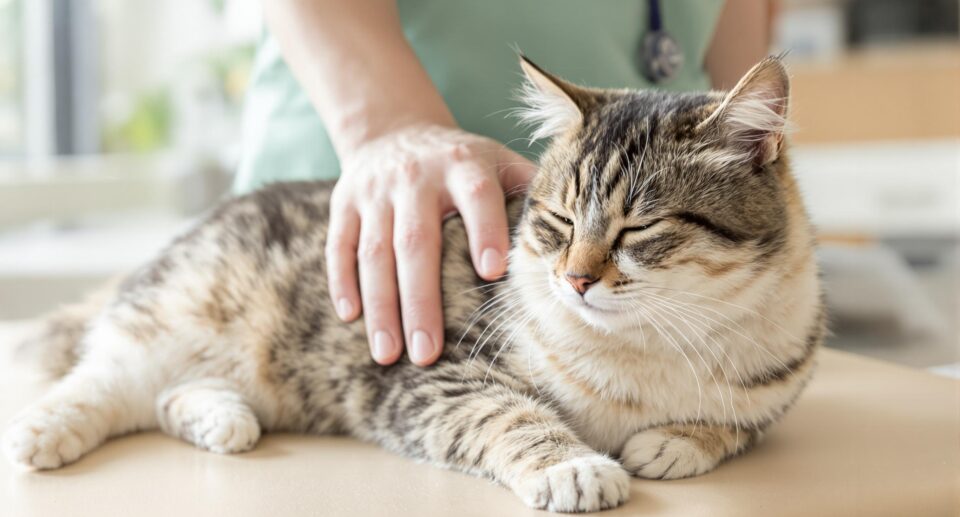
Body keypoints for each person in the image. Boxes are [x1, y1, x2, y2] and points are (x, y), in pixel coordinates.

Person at [235, 0, 774, 367]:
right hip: (377, 196)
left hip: (679, 282)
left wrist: (746, 178)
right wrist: (389, 127)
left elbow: (744, 73)